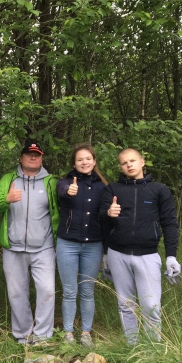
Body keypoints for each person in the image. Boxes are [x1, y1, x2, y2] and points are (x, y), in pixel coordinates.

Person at [99, 148, 180, 344]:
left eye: (133, 161)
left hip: (148, 255)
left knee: (151, 305)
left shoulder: (159, 190)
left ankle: (153, 348)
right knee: (126, 304)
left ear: (142, 162)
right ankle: (132, 346)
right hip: (118, 254)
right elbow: (101, 219)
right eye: (124, 163)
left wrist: (171, 256)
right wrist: (109, 213)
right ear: (121, 166)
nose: (129, 165)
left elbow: (169, 223)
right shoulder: (112, 190)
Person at [0, 141, 59, 345]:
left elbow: (61, 210)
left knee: (47, 290)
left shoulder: (51, 182)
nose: (33, 157)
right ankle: (23, 334)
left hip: (44, 247)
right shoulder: (8, 179)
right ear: (21, 158)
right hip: (13, 247)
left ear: (41, 158)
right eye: (29, 154)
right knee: (17, 293)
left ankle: (43, 336)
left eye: (37, 155)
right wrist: (7, 199)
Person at [56, 144, 108, 347]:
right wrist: (69, 190)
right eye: (80, 159)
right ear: (74, 163)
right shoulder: (66, 182)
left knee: (87, 291)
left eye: (88, 159)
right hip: (67, 244)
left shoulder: (103, 187)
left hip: (93, 245)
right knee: (69, 291)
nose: (84, 162)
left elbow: (106, 215)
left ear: (94, 161)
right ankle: (68, 333)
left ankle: (86, 332)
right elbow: (61, 191)